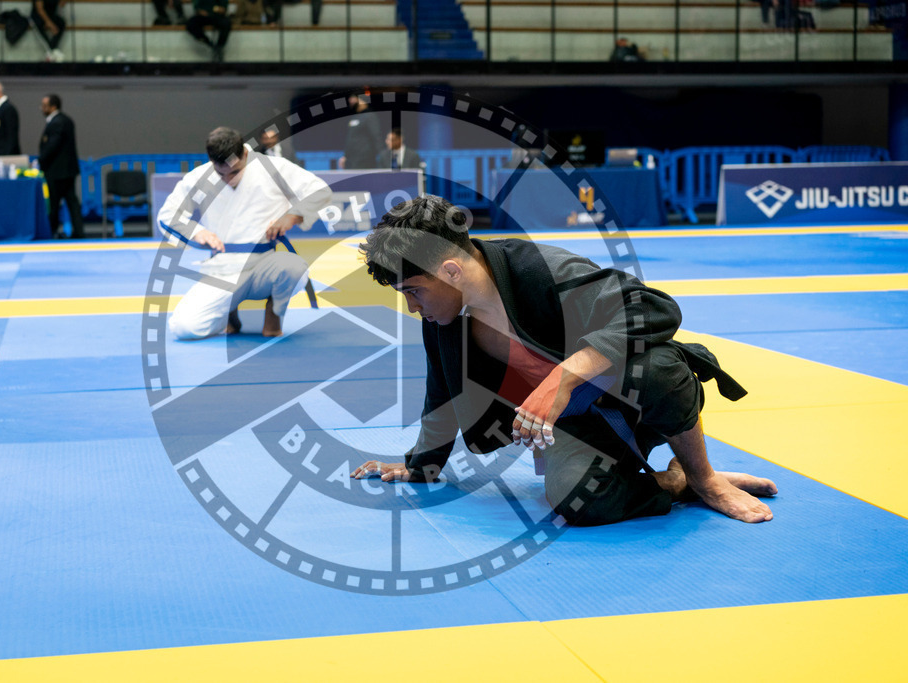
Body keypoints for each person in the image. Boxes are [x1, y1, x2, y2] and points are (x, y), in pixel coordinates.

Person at [352, 195, 777, 526]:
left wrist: (566, 375)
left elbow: (654, 308)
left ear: (450, 271)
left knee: (658, 366)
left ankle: (705, 479)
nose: (410, 307)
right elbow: (441, 393)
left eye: (412, 291)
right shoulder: (444, 320)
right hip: (578, 426)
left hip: (638, 402)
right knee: (576, 501)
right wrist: (421, 466)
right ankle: (677, 482)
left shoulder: (542, 270)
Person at [158, 127, 331, 339]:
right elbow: (167, 215)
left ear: (246, 154)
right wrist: (196, 232)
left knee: (294, 268)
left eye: (235, 172)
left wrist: (292, 216)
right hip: (222, 270)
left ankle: (273, 314)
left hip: (264, 265)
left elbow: (320, 190)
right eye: (220, 173)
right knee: (184, 328)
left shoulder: (273, 168)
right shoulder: (199, 177)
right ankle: (228, 312)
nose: (228, 179)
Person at [39, 94, 85, 239]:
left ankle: (52, 231)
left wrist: (40, 160)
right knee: (71, 201)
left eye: (45, 105)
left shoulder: (57, 122)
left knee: (55, 203)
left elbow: (53, 145)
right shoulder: (64, 120)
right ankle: (78, 231)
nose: (42, 108)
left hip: (58, 172)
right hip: (65, 171)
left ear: (53, 106)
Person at [339, 94, 382, 170]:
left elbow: (376, 136)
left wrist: (381, 156)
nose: (351, 101)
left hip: (365, 160)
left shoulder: (370, 116)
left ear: (362, 101)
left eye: (354, 98)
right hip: (351, 160)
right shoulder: (354, 117)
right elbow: (350, 138)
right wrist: (345, 156)